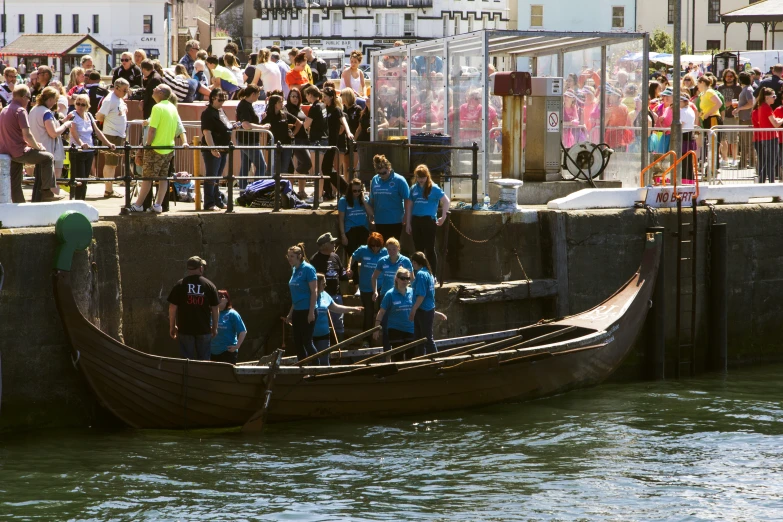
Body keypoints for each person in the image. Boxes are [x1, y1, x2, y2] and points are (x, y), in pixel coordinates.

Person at [130, 84, 188, 213]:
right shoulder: (172, 107)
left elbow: (152, 130)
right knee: (163, 178)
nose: (153, 89)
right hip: (168, 148)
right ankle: (158, 205)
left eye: (156, 88)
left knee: (147, 177)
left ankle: (138, 205)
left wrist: (148, 145)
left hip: (155, 148)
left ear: (161, 93)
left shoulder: (157, 107)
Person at [0, 85, 60, 202]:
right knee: (48, 157)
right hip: (18, 152)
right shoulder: (20, 111)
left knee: (15, 182)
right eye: (28, 98)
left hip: (6, 152)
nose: (28, 101)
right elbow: (27, 135)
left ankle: (19, 204)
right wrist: (38, 147)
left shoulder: (4, 110)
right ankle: (46, 191)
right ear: (23, 97)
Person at [167, 256, 220, 360]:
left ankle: (187, 376)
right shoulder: (210, 285)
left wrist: (172, 326)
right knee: (204, 360)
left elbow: (172, 307)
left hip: (185, 329)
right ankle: (203, 376)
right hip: (204, 329)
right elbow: (215, 308)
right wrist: (214, 327)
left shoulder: (180, 284)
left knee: (186, 361)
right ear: (200, 268)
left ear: (188, 269)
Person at [67, 93, 117, 200]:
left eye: (83, 105)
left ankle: (82, 200)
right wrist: (81, 144)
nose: (80, 106)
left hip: (88, 151)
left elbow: (97, 131)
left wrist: (108, 143)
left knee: (85, 179)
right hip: (77, 151)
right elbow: (74, 132)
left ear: (87, 106)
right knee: (78, 179)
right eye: (78, 104)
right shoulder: (73, 115)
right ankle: (76, 200)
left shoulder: (89, 115)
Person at [404, 164, 450, 275]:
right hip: (416, 220)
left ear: (427, 176)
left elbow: (446, 201)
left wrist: (443, 216)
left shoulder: (434, 188)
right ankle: (418, 273)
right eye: (419, 177)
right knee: (418, 249)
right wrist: (408, 223)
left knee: (429, 248)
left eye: (423, 177)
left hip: (428, 220)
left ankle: (432, 274)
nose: (421, 180)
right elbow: (409, 206)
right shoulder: (413, 188)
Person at [29, 87, 71, 197]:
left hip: (37, 149)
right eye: (55, 99)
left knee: (38, 182)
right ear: (51, 98)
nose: (55, 103)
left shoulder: (34, 110)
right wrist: (65, 125)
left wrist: (62, 121)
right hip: (47, 151)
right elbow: (53, 133)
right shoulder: (46, 112)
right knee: (46, 183)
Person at [312, 273, 363, 365]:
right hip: (310, 335)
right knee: (311, 360)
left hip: (323, 334)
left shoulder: (325, 295)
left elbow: (336, 308)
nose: (325, 285)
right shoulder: (307, 296)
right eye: (323, 283)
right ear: (316, 284)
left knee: (324, 361)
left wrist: (353, 309)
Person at [310, 232, 352, 342]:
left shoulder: (335, 257)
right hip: (321, 297)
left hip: (336, 295)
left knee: (338, 322)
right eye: (332, 242)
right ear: (324, 245)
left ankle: (339, 345)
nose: (334, 244)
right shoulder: (315, 260)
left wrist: (347, 274)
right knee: (322, 323)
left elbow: (341, 273)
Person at [200, 88, 233, 210]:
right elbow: (207, 132)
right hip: (213, 150)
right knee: (211, 176)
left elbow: (225, 126)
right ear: (212, 98)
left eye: (224, 100)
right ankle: (209, 203)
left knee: (217, 177)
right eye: (219, 100)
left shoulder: (220, 111)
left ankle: (217, 201)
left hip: (223, 148)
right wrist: (212, 148)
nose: (222, 102)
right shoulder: (208, 113)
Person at [373, 267, 415, 360]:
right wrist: (376, 329)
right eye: (402, 278)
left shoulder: (413, 292)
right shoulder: (390, 294)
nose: (405, 281)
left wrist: (435, 314)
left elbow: (419, 308)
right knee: (398, 357)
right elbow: (381, 312)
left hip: (410, 328)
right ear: (396, 278)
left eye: (407, 278)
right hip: (395, 329)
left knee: (411, 357)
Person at [97, 78, 129, 198]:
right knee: (110, 163)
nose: (126, 92)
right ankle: (108, 190)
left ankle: (109, 189)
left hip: (118, 134)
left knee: (113, 164)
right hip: (111, 135)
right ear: (116, 88)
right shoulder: (110, 100)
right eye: (124, 90)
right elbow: (100, 116)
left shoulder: (118, 99)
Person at [286, 243, 319, 362]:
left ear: (299, 256)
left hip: (307, 309)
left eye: (292, 256)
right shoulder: (294, 269)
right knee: (297, 342)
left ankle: (317, 368)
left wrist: (311, 312)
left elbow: (314, 291)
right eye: (288, 256)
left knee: (307, 342)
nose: (289, 259)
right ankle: (302, 369)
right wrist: (290, 314)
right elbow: (296, 296)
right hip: (297, 310)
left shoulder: (308, 269)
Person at [349, 232, 387, 332]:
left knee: (382, 310)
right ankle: (367, 338)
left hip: (381, 286)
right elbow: (353, 257)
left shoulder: (385, 252)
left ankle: (383, 335)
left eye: (377, 246)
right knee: (368, 312)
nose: (375, 248)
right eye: (372, 246)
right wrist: (349, 267)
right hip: (365, 286)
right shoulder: (363, 250)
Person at [235, 84, 271, 189]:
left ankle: (243, 189)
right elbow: (246, 125)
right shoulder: (244, 106)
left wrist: (260, 120)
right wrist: (263, 127)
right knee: (261, 166)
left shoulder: (246, 105)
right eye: (258, 94)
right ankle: (256, 189)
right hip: (248, 140)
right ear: (253, 94)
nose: (259, 96)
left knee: (245, 166)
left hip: (246, 139)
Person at [369, 154, 410, 241]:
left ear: (389, 168)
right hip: (379, 219)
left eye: (384, 173)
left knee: (393, 248)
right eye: (379, 173)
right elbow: (372, 198)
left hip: (395, 220)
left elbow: (407, 199)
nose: (382, 175)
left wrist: (406, 215)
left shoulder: (399, 180)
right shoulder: (375, 180)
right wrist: (370, 214)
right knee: (381, 248)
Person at [322, 87, 354, 198]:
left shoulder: (336, 109)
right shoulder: (325, 109)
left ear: (331, 97)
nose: (323, 98)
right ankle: (332, 192)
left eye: (325, 96)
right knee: (326, 169)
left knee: (327, 168)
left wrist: (348, 132)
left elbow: (343, 121)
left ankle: (346, 190)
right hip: (325, 142)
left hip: (332, 143)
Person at [261, 92, 299, 175]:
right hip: (274, 144)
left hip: (286, 143)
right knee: (273, 168)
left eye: (282, 101)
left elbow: (298, 123)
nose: (282, 104)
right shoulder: (268, 115)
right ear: (274, 104)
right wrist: (262, 120)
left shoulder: (284, 114)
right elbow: (262, 126)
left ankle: (282, 186)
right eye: (280, 102)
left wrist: (292, 133)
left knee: (284, 169)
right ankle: (272, 186)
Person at [285, 87, 313, 198]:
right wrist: (294, 134)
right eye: (292, 96)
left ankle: (301, 191)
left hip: (304, 139)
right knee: (307, 163)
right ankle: (293, 185)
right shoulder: (287, 109)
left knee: (304, 164)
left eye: (297, 96)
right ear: (289, 97)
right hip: (296, 140)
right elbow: (295, 124)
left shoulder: (298, 108)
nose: (295, 98)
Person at [409, 251, 438, 357]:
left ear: (416, 262)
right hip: (429, 308)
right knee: (420, 338)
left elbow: (421, 295)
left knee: (426, 338)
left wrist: (414, 309)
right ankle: (421, 357)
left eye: (413, 263)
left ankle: (436, 360)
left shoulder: (421, 274)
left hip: (423, 309)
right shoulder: (428, 272)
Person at [752, 87, 783, 183]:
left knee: (768, 162)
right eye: (773, 96)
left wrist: (778, 120)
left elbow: (773, 121)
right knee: (771, 162)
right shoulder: (766, 107)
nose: (775, 98)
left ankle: (762, 181)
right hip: (771, 137)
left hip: (767, 137)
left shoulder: (762, 106)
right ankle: (771, 183)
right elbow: (776, 124)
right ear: (766, 97)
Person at [338, 178, 373, 261]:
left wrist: (364, 201)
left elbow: (371, 213)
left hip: (363, 229)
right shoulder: (343, 201)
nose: (357, 193)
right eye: (354, 191)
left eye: (359, 190)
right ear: (350, 190)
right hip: (350, 230)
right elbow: (341, 219)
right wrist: (343, 235)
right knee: (352, 256)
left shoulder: (364, 199)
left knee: (365, 256)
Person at [210, 290, 247, 364]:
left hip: (227, 352)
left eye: (221, 296)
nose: (218, 298)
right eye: (217, 296)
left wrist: (237, 346)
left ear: (227, 299)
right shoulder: (211, 314)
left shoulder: (232, 314)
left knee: (226, 374)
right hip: (212, 352)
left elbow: (243, 331)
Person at [340, 88, 362, 178]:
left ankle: (353, 184)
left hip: (354, 140)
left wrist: (355, 139)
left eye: (342, 95)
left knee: (353, 167)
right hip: (345, 141)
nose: (341, 97)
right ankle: (346, 185)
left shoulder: (357, 109)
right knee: (346, 166)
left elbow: (359, 126)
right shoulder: (342, 109)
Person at [737, 71, 756, 169]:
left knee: (748, 143)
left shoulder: (748, 90)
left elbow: (751, 103)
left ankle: (751, 163)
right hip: (743, 119)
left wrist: (739, 108)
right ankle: (744, 163)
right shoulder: (746, 89)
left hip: (747, 119)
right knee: (744, 142)